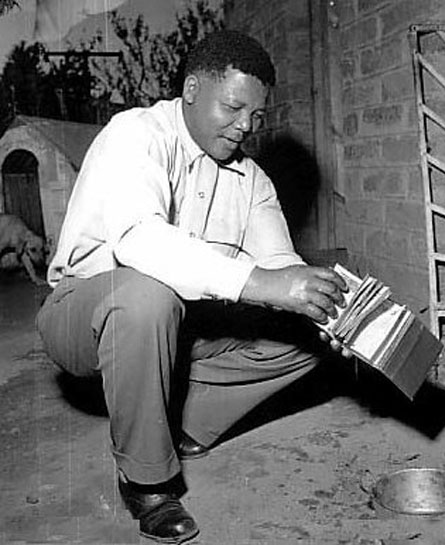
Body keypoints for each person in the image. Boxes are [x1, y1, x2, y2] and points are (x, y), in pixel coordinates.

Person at [36, 30, 350, 544]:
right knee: (145, 296)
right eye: (233, 107)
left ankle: (184, 425)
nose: (245, 126)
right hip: (88, 313)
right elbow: (139, 241)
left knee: (310, 333)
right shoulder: (135, 134)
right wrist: (259, 282)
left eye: (257, 116)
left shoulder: (252, 180)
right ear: (191, 90)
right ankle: (147, 482)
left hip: (183, 324)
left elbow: (280, 265)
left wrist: (325, 307)